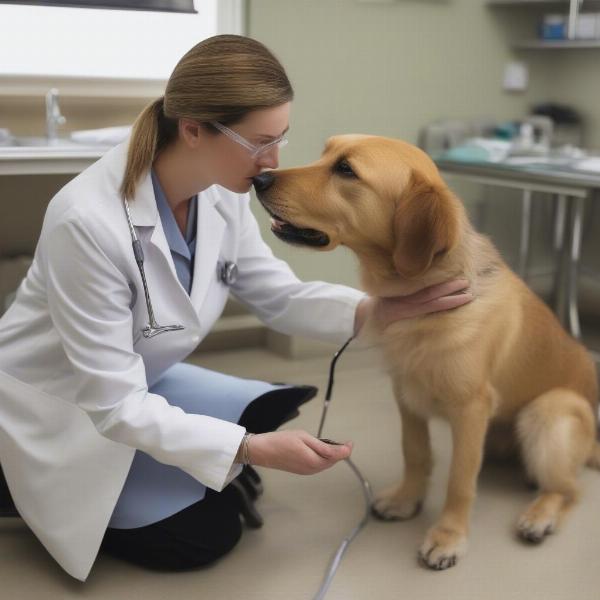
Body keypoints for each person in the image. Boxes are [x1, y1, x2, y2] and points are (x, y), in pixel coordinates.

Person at [0, 34, 472, 581]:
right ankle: (11, 483)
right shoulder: (86, 220)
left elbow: (277, 294)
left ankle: (199, 459)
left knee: (268, 417)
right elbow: (114, 406)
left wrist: (380, 312)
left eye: (281, 139)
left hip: (137, 377)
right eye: (258, 143)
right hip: (60, 400)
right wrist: (252, 451)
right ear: (194, 129)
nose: (272, 164)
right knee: (205, 536)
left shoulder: (219, 190)